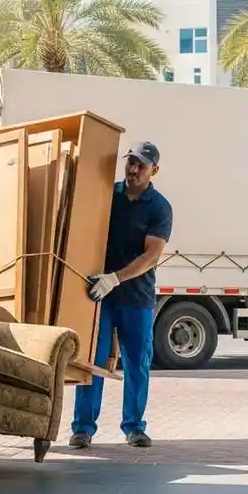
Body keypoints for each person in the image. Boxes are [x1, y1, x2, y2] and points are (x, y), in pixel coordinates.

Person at [69, 141, 172, 449]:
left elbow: (151, 255)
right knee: (92, 361)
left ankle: (134, 427)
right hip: (99, 296)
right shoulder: (107, 195)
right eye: (131, 162)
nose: (133, 168)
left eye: (141, 164)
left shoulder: (159, 207)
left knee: (137, 362)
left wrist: (116, 278)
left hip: (136, 297)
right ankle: (83, 428)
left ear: (154, 170)